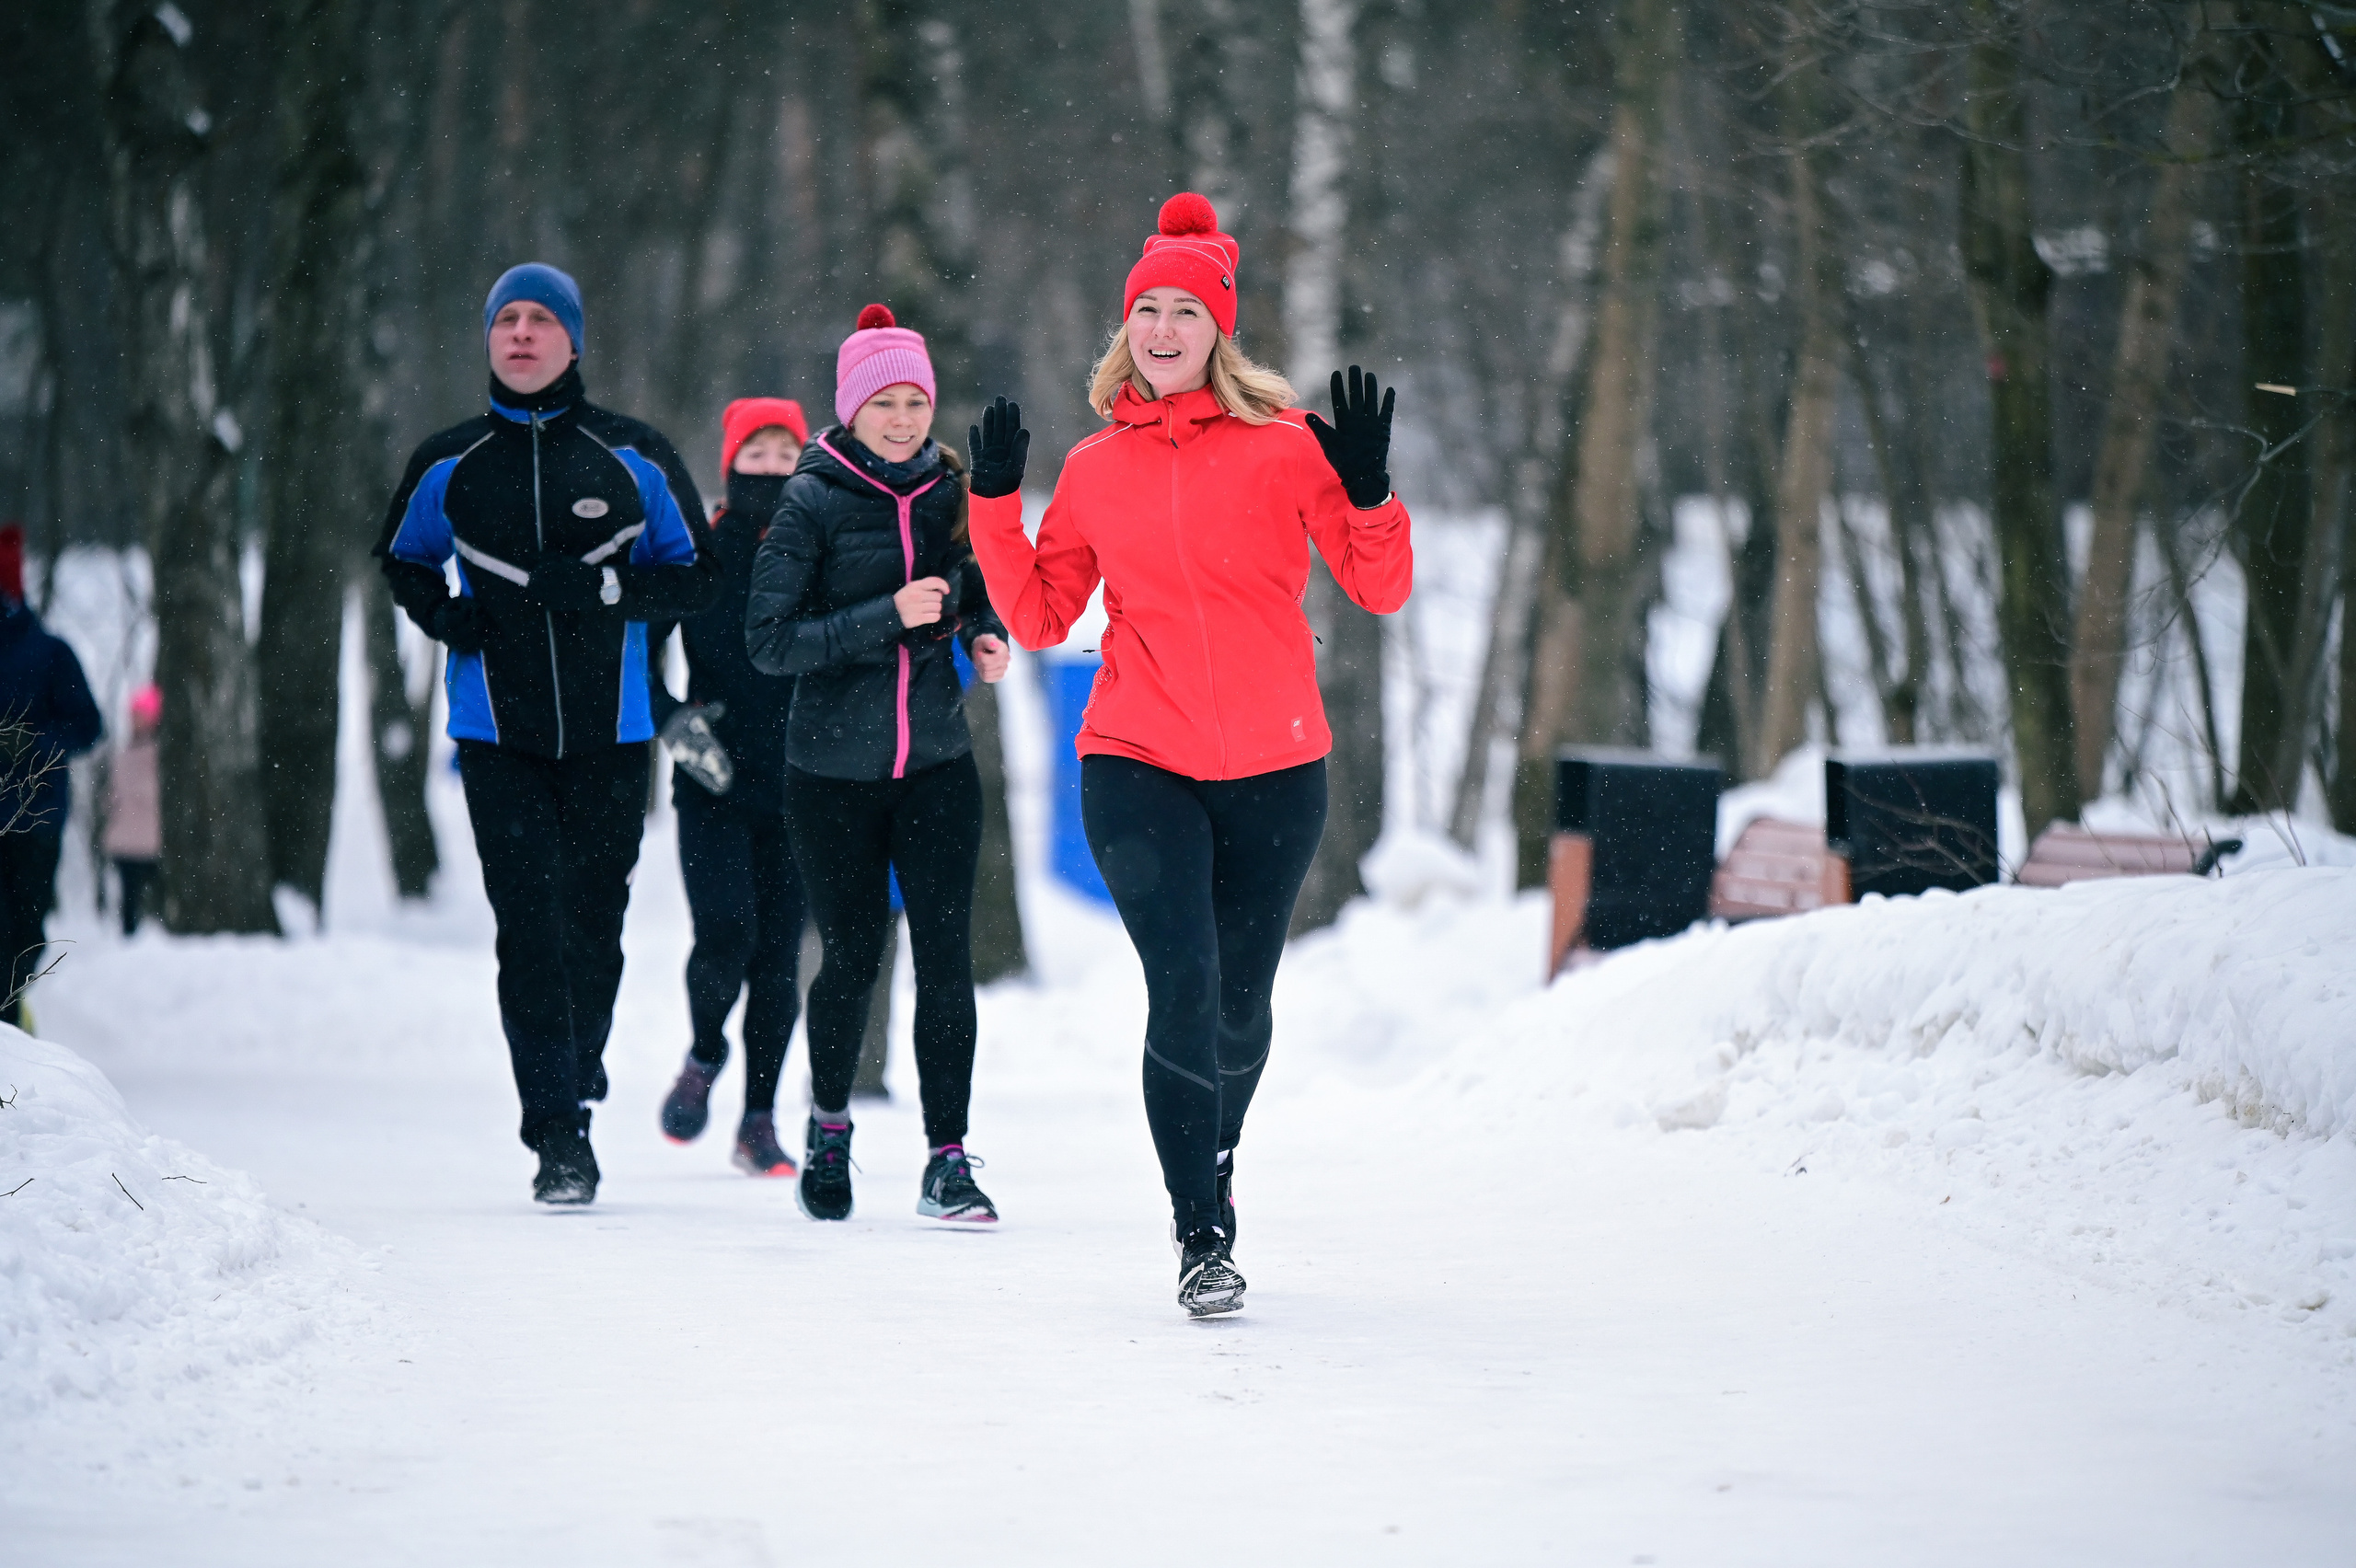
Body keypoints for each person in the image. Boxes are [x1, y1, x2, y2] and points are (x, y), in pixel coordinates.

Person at [964, 193, 1413, 1316]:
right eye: (1145, 312)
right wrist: (988, 508)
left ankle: (1214, 1158)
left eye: (1184, 311)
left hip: (1275, 766)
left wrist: (1369, 493)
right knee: (1184, 982)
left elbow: (1378, 585)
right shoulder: (1097, 468)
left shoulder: (1286, 449)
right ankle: (1199, 1232)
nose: (1162, 330)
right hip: (1137, 757)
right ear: (1127, 330)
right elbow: (1039, 613)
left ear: (1221, 329)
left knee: (1241, 1009)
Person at [374, 263, 714, 1206]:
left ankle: (576, 1059)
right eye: (506, 320)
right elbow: (401, 561)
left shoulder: (633, 457)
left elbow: (696, 577)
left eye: (541, 320)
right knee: (528, 927)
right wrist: (446, 619)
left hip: (614, 730)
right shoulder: (450, 463)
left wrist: (608, 591)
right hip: (496, 735)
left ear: (573, 340)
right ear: (488, 338)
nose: (521, 335)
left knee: (592, 924)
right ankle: (557, 1132)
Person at [746, 304, 1012, 1226]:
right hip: (831, 774)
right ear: (850, 409)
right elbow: (769, 643)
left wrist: (984, 634)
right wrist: (884, 617)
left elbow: (973, 589)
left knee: (945, 961)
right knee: (853, 957)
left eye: (916, 402)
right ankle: (828, 1130)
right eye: (885, 403)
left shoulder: (950, 492)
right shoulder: (809, 501)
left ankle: (948, 1160)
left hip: (937, 762)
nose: (903, 420)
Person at [653, 397, 812, 1178]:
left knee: (780, 958)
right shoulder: (698, 552)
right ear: (731, 463)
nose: (774, 470)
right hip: (713, 780)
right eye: (759, 455)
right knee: (726, 932)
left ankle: (758, 1123)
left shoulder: (818, 552)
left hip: (803, 784)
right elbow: (640, 652)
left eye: (789, 456)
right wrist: (675, 725)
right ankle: (706, 1051)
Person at [0, 524, 104, 1031]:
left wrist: (34, 742)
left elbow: (89, 724)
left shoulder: (50, 654)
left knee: (26, 931)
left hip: (36, 819)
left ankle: (11, 1008)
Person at [104, 684, 162, 934]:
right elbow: (112, 794)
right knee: (129, 897)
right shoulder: (123, 753)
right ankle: (130, 939)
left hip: (152, 839)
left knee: (156, 895)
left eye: (141, 716)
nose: (136, 721)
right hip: (125, 839)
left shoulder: (160, 754)